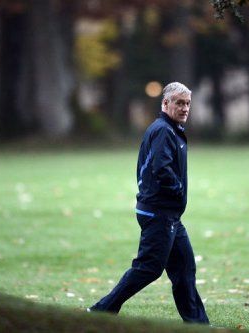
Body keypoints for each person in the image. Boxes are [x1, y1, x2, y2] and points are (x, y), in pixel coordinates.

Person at [87, 82, 209, 324]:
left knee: (184, 269)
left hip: (170, 215)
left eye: (187, 104)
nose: (184, 108)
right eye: (179, 103)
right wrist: (178, 190)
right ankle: (101, 311)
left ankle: (198, 325)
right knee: (148, 268)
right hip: (159, 213)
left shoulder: (172, 129)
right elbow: (161, 168)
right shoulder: (164, 130)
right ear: (165, 104)